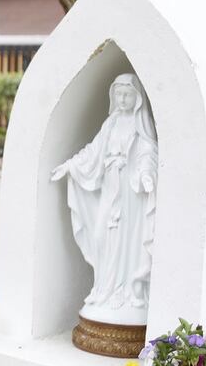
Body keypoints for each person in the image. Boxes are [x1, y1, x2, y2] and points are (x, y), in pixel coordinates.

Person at [51, 73, 157, 324]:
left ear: (137, 98)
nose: (122, 99)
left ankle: (129, 292)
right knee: (103, 237)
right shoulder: (111, 123)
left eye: (127, 95)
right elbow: (94, 151)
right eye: (118, 94)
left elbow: (148, 152)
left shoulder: (140, 125)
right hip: (110, 188)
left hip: (131, 194)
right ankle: (104, 290)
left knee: (127, 240)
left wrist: (146, 175)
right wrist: (71, 166)